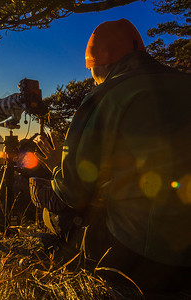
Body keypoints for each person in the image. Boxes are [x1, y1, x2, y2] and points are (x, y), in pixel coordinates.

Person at [34, 19, 191, 293]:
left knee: (55, 215)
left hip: (144, 253)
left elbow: (74, 192)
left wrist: (55, 166)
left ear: (102, 64)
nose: (92, 76)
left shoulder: (107, 95)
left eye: (91, 69)